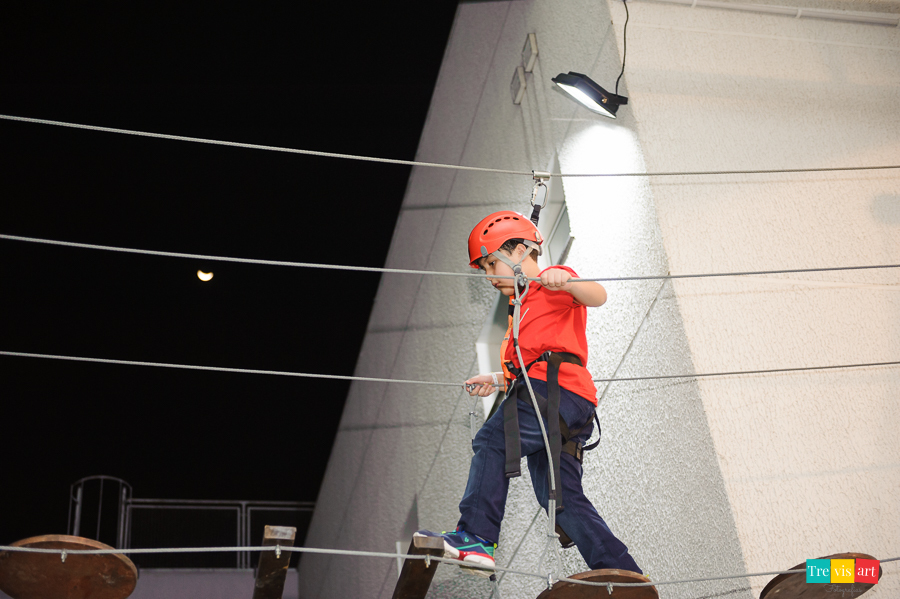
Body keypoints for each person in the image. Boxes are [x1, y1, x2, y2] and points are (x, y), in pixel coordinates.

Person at [415, 211, 642, 577]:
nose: (490, 278)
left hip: (557, 394)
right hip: (556, 399)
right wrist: (498, 379)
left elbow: (597, 295)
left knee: (492, 441)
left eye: (492, 265)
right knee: (559, 499)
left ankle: (475, 536)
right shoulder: (519, 308)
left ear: (520, 251)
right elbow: (529, 362)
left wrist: (564, 282)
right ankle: (623, 573)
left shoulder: (551, 285)